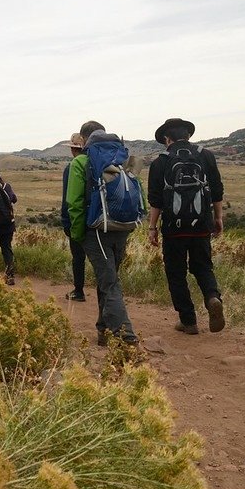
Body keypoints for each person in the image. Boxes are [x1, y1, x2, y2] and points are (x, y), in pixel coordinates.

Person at [147, 118, 225, 334]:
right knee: (203, 266)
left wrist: (152, 228)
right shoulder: (205, 155)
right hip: (201, 224)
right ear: (188, 135)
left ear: (166, 138)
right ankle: (212, 298)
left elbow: (155, 201)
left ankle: (188, 321)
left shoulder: (160, 162)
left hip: (174, 228)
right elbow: (217, 191)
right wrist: (217, 218)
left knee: (176, 272)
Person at [66, 121, 139, 346]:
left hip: (95, 229)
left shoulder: (80, 162)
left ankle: (124, 334)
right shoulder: (122, 158)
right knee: (107, 278)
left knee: (109, 282)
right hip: (123, 226)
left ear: (84, 139)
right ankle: (103, 330)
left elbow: (74, 203)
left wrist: (78, 234)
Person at [61, 133, 87, 302]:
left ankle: (79, 290)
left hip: (78, 219)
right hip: (99, 219)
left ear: (72, 149)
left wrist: (66, 221)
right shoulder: (96, 163)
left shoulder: (72, 167)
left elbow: (68, 198)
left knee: (78, 257)